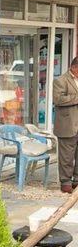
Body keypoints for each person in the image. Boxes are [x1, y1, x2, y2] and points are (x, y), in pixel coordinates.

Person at [53, 56, 78, 193]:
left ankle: (76, 181)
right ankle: (66, 182)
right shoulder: (60, 80)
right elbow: (58, 100)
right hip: (67, 125)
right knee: (66, 157)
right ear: (74, 67)